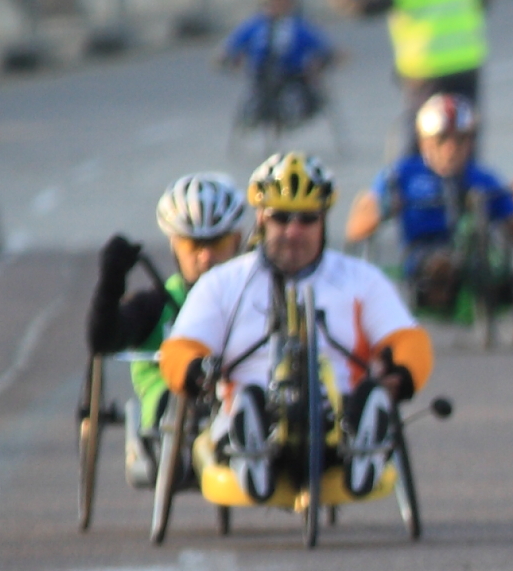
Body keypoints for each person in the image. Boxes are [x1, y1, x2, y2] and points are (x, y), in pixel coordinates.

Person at [159, 153, 435, 508]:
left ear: (323, 221)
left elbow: (408, 339)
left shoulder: (360, 279)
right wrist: (195, 370)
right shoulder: (223, 283)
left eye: (307, 219)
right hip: (248, 408)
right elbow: (181, 347)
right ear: (261, 219)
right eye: (281, 218)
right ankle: (250, 444)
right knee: (244, 406)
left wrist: (401, 375)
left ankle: (364, 439)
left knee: (360, 397)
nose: (293, 231)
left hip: (338, 418)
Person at [85, 174, 249, 489]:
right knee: (176, 398)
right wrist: (110, 283)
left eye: (217, 243)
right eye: (193, 245)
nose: (206, 257)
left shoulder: (254, 298)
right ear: (175, 243)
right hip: (169, 404)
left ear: (238, 240)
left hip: (236, 395)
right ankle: (179, 455)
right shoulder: (155, 304)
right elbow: (102, 341)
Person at [345, 95, 513, 319]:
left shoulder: (481, 176)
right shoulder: (403, 174)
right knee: (439, 263)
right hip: (424, 250)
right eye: (442, 139)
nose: (451, 149)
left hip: (476, 253)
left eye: (460, 140)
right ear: (424, 142)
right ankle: (440, 286)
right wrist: (384, 207)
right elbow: (356, 226)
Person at [315, 0, 488, 153]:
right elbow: (483, 0)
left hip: (426, 70)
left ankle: (419, 188)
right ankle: (469, 187)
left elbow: (359, 6)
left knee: (423, 141)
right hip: (467, 64)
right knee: (464, 136)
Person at [215, 0, 335, 129]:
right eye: (274, 0)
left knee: (314, 96)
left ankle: (297, 115)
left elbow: (321, 47)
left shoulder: (298, 25)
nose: (278, 4)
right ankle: (259, 117)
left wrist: (323, 60)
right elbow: (230, 47)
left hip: (294, 73)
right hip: (263, 74)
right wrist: (227, 59)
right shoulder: (254, 25)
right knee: (259, 96)